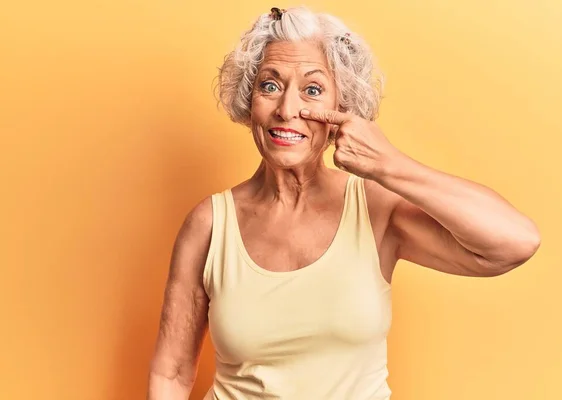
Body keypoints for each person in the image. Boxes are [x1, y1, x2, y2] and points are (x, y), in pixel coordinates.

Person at [147, 6, 541, 400]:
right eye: (269, 85)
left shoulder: (375, 209)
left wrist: (388, 164)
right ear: (249, 102)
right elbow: (173, 372)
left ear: (342, 106)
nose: (286, 110)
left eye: (312, 90)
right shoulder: (210, 224)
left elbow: (513, 243)